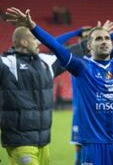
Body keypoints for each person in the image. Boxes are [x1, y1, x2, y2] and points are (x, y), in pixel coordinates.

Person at [5, 7, 113, 165]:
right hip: (94, 144)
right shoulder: (81, 67)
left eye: (107, 38)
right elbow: (55, 46)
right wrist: (33, 27)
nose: (104, 41)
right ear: (89, 46)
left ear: (112, 45)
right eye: (98, 38)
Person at [55, 21, 113, 165]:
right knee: (80, 150)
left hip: (99, 113)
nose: (101, 41)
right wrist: (76, 31)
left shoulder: (103, 61)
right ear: (86, 43)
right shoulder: (76, 62)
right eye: (91, 38)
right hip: (80, 112)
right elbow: (54, 44)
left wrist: (103, 32)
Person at [0, 26, 67, 165]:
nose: (39, 42)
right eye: (35, 39)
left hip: (43, 142)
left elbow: (68, 54)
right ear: (24, 42)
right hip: (20, 141)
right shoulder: (8, 63)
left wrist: (86, 42)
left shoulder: (44, 62)